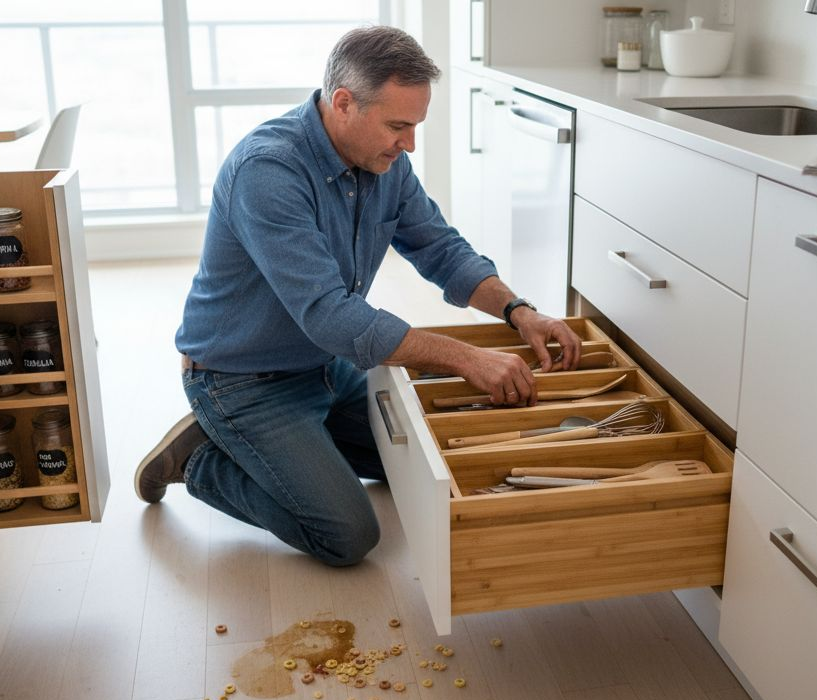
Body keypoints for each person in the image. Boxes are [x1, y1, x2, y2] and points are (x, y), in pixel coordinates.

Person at [134, 25, 582, 566]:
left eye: (415, 126)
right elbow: (331, 316)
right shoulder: (267, 171)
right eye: (398, 125)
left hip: (325, 369)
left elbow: (440, 249)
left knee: (431, 462)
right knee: (348, 536)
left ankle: (301, 447)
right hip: (242, 381)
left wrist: (519, 311)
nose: (410, 143)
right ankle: (202, 461)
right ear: (343, 103)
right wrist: (467, 357)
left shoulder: (384, 162)